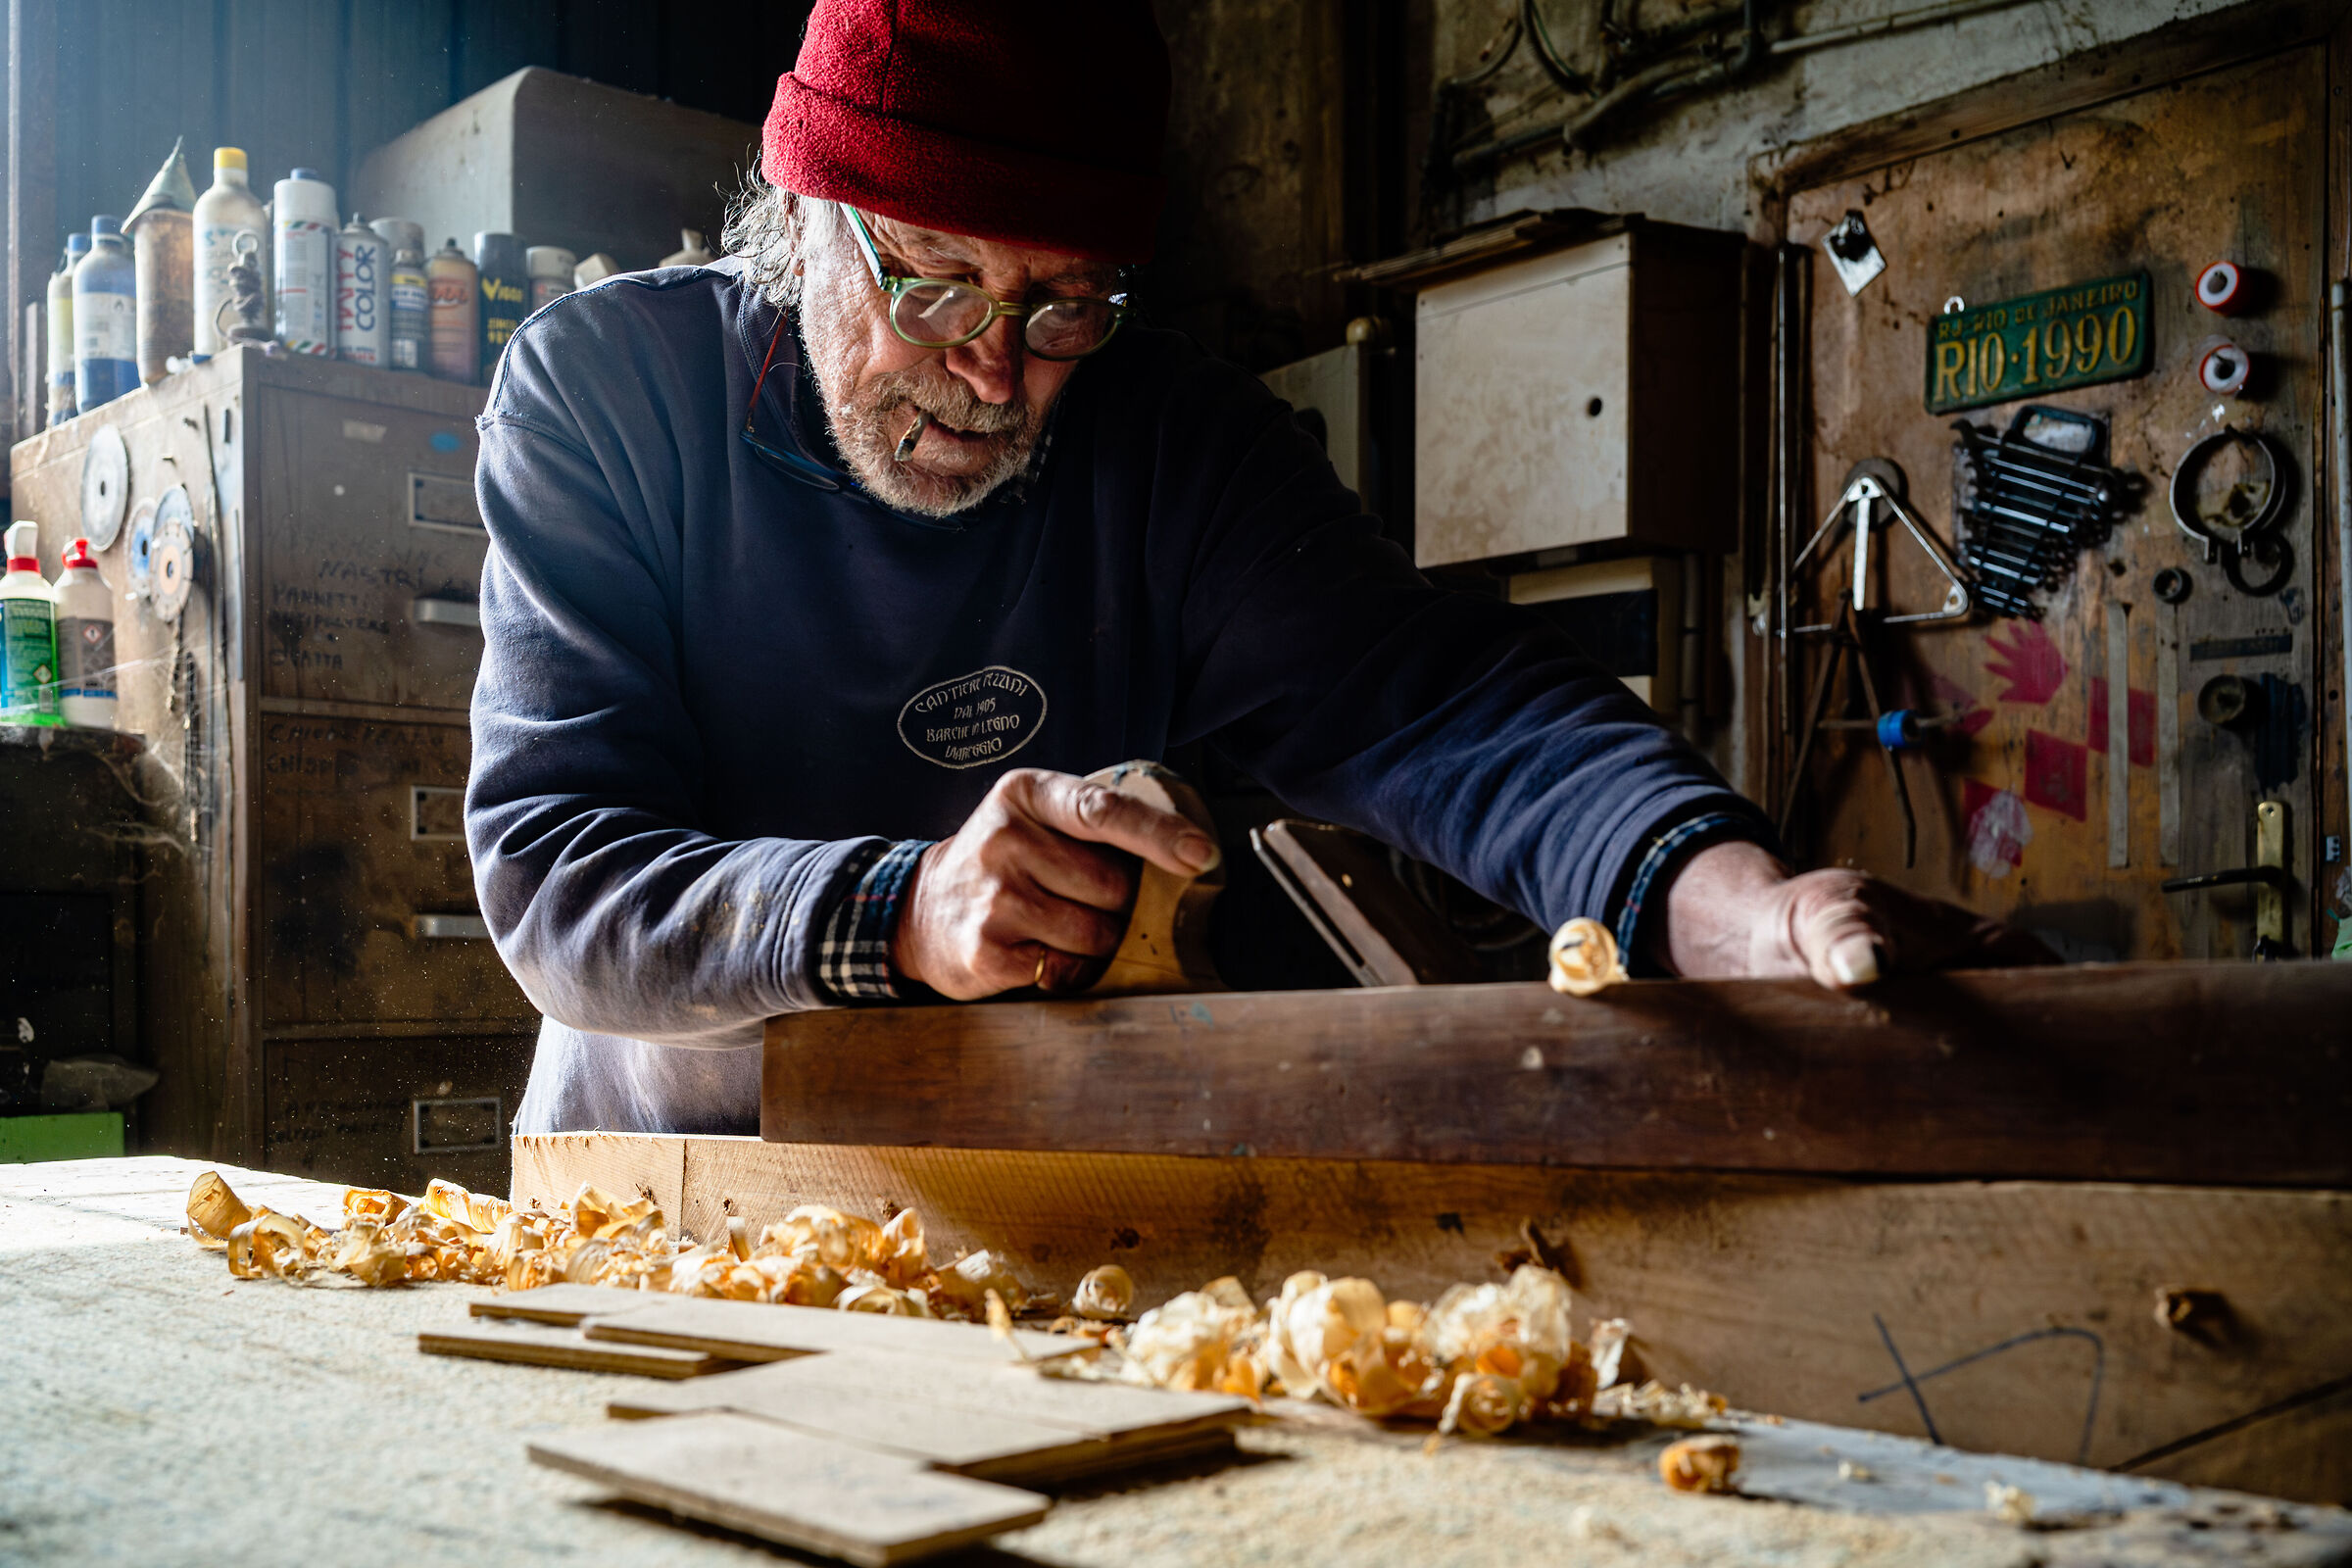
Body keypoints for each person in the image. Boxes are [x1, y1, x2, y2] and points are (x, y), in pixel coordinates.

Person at [466, 0, 2047, 1136]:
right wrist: (905, 910)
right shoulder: (606, 397)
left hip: (1025, 1183)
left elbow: (1442, 709)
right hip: (674, 1177)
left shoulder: (1174, 443)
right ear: (805, 213)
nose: (997, 373)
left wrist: (1719, 900)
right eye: (937, 285)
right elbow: (556, 871)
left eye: (1064, 305)